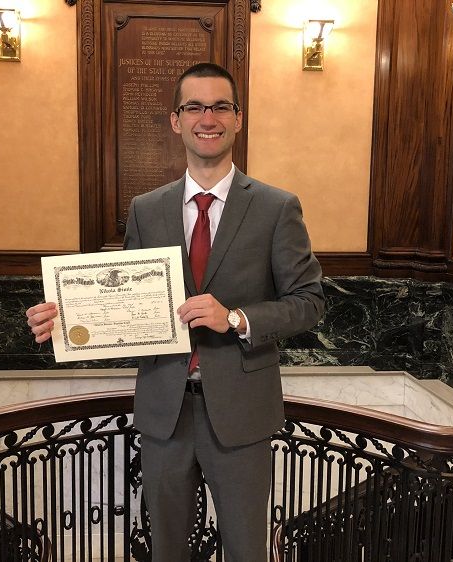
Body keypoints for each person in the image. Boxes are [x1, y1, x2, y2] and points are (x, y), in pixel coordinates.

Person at [26, 62, 324, 562]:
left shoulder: (277, 208)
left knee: (246, 551)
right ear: (176, 120)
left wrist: (236, 318)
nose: (208, 118)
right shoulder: (146, 209)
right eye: (194, 107)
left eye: (220, 106)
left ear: (238, 118)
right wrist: (65, 319)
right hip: (165, 412)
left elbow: (309, 302)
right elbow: (122, 303)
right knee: (165, 550)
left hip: (242, 413)